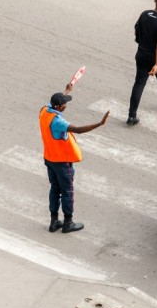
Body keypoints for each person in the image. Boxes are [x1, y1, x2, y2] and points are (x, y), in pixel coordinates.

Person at [40, 88, 109, 233]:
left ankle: (54, 222)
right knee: (67, 191)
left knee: (54, 189)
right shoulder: (57, 121)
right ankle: (68, 222)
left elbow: (55, 102)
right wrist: (99, 123)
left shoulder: (44, 111)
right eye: (64, 104)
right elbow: (77, 130)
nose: (66, 106)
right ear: (58, 107)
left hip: (49, 158)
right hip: (62, 162)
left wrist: (65, 92)